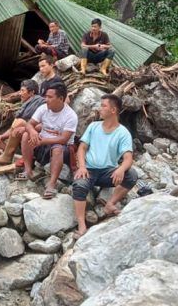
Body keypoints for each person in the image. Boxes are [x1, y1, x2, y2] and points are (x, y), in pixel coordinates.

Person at [72, 94, 137, 238]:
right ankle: (82, 225)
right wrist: (82, 167)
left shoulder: (123, 133)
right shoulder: (93, 126)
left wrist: (120, 169)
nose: (99, 109)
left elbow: (128, 158)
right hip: (88, 170)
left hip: (108, 172)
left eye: (103, 106)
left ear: (113, 110)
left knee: (131, 175)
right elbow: (81, 148)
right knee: (79, 185)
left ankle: (110, 203)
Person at [19, 83, 77, 200]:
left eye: (50, 97)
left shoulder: (71, 115)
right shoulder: (43, 108)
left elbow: (63, 139)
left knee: (57, 148)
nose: (46, 100)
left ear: (61, 99)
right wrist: (33, 132)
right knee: (26, 135)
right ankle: (28, 170)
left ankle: (51, 184)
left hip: (61, 147)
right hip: (43, 142)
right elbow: (30, 124)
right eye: (46, 96)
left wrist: (42, 140)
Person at [0, 79, 46, 164]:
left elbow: (40, 124)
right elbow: (13, 128)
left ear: (31, 93)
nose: (20, 93)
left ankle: (7, 156)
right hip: (16, 139)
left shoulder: (40, 103)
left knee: (21, 122)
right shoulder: (26, 105)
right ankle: (0, 165)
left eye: (22, 91)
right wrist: (2, 137)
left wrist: (25, 128)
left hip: (31, 141)